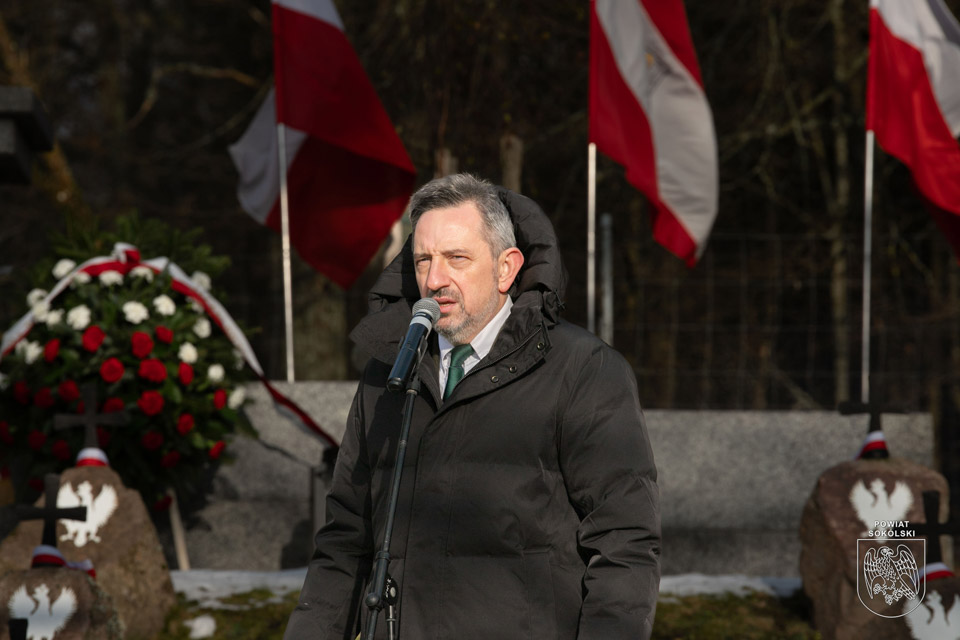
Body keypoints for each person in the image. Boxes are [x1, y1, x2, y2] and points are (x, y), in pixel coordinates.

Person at [284, 174, 660, 640]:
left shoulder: (583, 370)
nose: (434, 279)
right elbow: (345, 540)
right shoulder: (388, 373)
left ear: (506, 268)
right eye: (423, 260)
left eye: (456, 258)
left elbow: (625, 545)